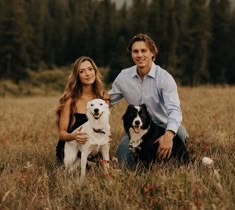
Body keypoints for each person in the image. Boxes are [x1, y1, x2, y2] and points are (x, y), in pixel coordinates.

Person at [109, 33, 189, 167]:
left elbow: (174, 109)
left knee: (180, 135)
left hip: (163, 125)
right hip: (138, 128)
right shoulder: (124, 77)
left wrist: (168, 136)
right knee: (123, 162)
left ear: (152, 52)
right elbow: (108, 101)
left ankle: (173, 153)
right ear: (131, 54)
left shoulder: (164, 78)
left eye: (143, 50)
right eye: (135, 51)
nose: (139, 55)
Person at [55, 56, 110, 163]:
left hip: (92, 146)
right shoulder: (70, 101)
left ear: (95, 71)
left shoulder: (103, 98)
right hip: (71, 147)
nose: (88, 74)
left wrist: (107, 135)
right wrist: (73, 136)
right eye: (82, 71)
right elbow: (62, 134)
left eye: (90, 69)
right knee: (84, 168)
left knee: (108, 165)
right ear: (77, 76)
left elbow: (104, 126)